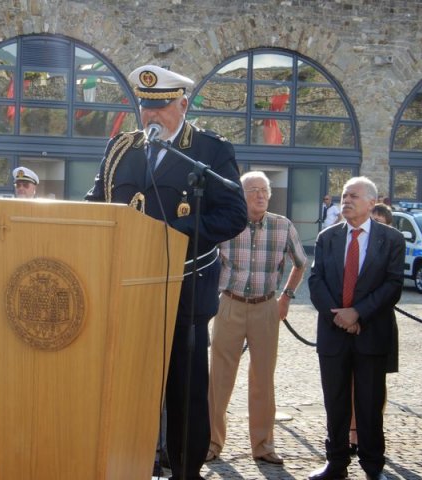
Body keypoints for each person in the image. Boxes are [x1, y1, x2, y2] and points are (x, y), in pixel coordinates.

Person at [85, 64, 247, 480]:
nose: (151, 115)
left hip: (184, 289)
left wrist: (176, 236)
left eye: (160, 107)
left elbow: (234, 215)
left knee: (184, 390)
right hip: (126, 288)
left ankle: (185, 471)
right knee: (127, 386)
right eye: (145, 106)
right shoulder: (121, 147)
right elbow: (95, 200)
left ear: (182, 104)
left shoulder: (209, 151)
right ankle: (126, 465)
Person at [308, 176, 404, 480]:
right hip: (334, 334)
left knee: (370, 403)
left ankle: (373, 466)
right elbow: (316, 281)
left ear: (371, 202)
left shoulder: (391, 239)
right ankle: (336, 463)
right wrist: (340, 316)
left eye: (353, 196)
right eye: (343, 196)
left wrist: (358, 314)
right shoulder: (327, 237)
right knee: (335, 402)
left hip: (371, 334)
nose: (345, 201)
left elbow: (393, 285)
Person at [207, 171, 307, 465]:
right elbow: (208, 259)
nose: (261, 195)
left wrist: (286, 296)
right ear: (242, 195)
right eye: (253, 190)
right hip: (230, 304)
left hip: (266, 307)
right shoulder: (228, 224)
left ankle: (263, 445)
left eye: (264, 190)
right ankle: (212, 442)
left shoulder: (282, 225)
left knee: (263, 378)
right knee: (219, 378)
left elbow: (300, 263)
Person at [347, 202, 398, 454]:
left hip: (380, 321)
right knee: (351, 380)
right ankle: (354, 431)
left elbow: (392, 284)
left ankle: (371, 430)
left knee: (376, 383)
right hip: (348, 319)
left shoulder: (391, 243)